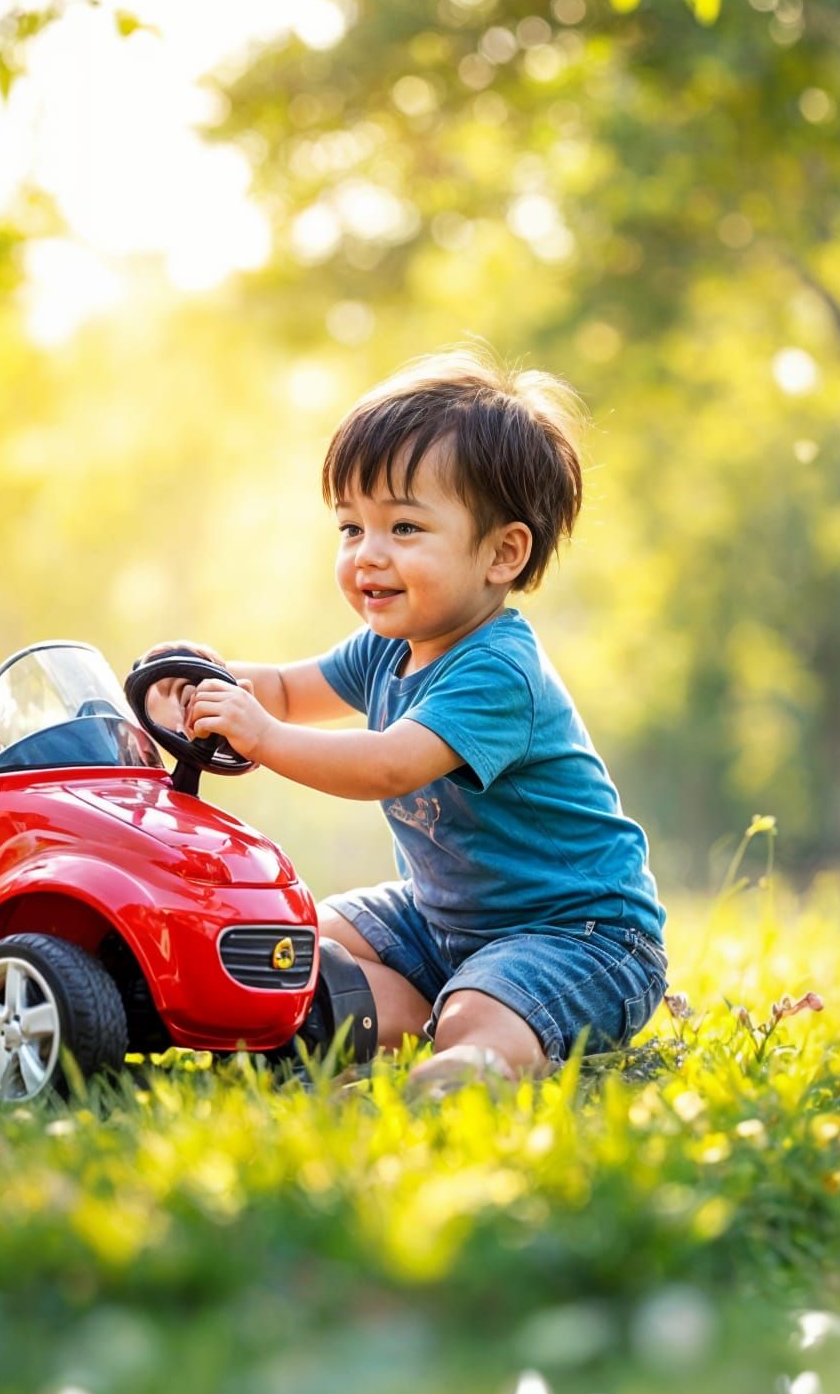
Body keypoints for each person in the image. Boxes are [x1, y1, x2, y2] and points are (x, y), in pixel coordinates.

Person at [141, 346, 667, 1093]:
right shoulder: (390, 648)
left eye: (404, 529)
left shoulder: (497, 670)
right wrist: (205, 686)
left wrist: (260, 735)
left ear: (503, 554)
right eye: (351, 528)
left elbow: (388, 764)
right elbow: (288, 690)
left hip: (574, 935)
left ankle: (474, 1060)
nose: (368, 556)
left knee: (476, 1013)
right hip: (441, 919)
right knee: (300, 943)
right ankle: (375, 1018)